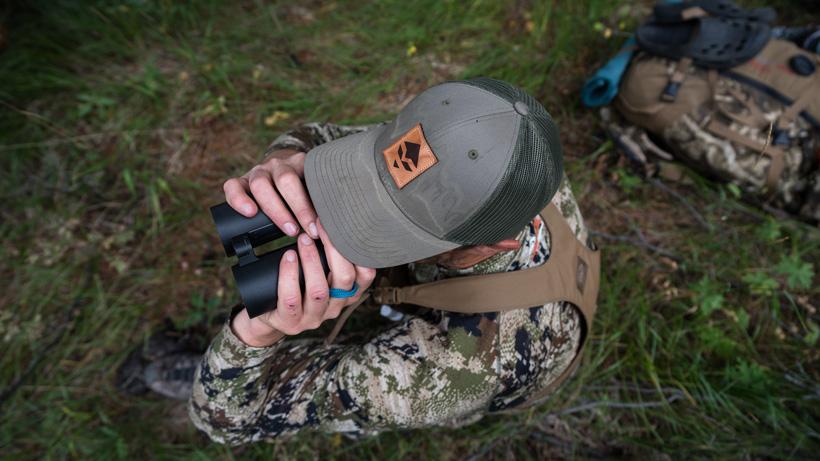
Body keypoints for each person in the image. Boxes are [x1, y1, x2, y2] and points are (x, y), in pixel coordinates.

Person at [148, 78, 598, 443]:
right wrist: (283, 164)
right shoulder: (486, 147)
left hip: (485, 358)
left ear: (491, 246)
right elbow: (323, 139)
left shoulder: (452, 372)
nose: (345, 228)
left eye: (397, 229)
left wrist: (258, 333)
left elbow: (226, 421)